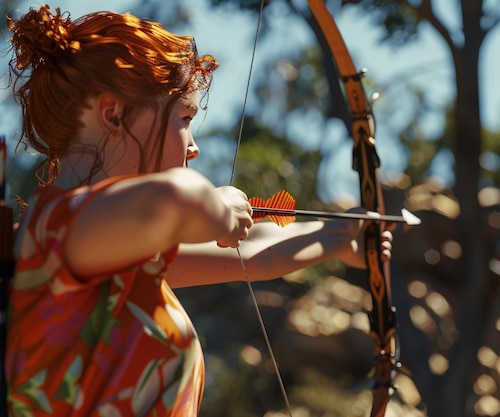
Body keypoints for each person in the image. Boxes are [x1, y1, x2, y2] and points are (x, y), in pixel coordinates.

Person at [4, 5, 393, 416]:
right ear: (113, 113)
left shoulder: (119, 256)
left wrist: (338, 238)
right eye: (184, 118)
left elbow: (254, 253)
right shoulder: (57, 230)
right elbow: (179, 198)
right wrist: (220, 209)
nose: (194, 146)